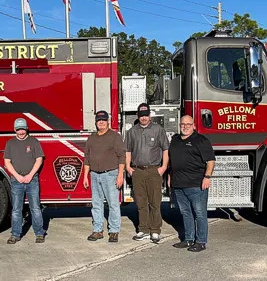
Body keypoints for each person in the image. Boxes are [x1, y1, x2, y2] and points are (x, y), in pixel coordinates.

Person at [168, 115, 215, 252]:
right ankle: (188, 239)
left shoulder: (201, 140)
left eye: (188, 124)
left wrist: (207, 177)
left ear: (194, 126)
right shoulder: (175, 139)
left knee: (200, 213)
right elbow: (172, 160)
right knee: (185, 212)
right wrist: (170, 176)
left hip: (196, 184)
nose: (185, 126)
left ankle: (201, 241)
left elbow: (211, 161)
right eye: (183, 124)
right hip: (178, 184)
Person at [125, 103, 169, 243]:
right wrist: (128, 167)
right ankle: (143, 229)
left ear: (150, 116)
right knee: (141, 203)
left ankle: (155, 230)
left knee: (155, 202)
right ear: (138, 116)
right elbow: (128, 151)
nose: (144, 118)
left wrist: (163, 167)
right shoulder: (132, 132)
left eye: (146, 115)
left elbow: (165, 149)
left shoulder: (158, 129)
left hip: (153, 170)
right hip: (137, 171)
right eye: (141, 115)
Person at [83, 110, 126, 242]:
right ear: (96, 122)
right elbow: (87, 159)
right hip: (95, 175)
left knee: (113, 204)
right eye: (98, 120)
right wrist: (85, 176)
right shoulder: (92, 138)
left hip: (110, 174)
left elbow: (122, 156)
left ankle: (114, 231)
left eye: (103, 120)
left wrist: (120, 175)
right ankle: (98, 230)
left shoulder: (115, 136)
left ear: (108, 121)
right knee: (96, 204)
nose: (101, 122)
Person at [3, 118, 46, 244]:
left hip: (32, 180)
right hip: (17, 181)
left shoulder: (34, 141)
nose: (21, 132)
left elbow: (39, 159)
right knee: (16, 209)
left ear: (26, 128)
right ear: (14, 130)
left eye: (22, 129)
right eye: (18, 129)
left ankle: (39, 233)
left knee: (35, 208)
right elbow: (7, 162)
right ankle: (15, 234)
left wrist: (30, 175)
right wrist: (17, 176)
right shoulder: (10, 143)